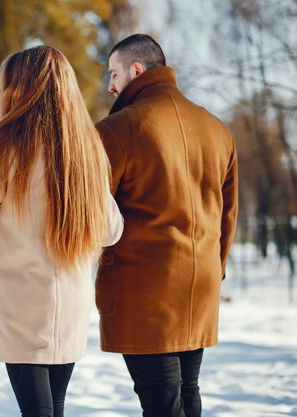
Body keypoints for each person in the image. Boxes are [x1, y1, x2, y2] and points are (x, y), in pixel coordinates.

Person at [0, 45, 124, 417]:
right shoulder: (86, 149)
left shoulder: (4, 144)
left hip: (23, 306)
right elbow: (111, 230)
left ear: (18, 88)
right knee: (54, 408)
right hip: (70, 305)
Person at [95, 33, 238, 417]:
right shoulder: (218, 129)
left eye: (114, 73)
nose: (110, 85)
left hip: (144, 293)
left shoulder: (116, 130)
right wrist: (214, 269)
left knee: (160, 401)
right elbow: (228, 215)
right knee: (186, 393)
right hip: (199, 286)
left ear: (136, 70)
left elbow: (93, 214)